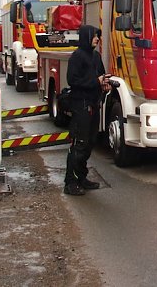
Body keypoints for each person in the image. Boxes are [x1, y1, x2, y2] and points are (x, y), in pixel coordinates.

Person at [64, 25, 107, 196]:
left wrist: (105, 83)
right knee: (79, 144)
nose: (97, 39)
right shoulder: (77, 57)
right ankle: (70, 182)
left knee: (89, 143)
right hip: (81, 104)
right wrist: (96, 81)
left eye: (97, 36)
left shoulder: (96, 56)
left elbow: (100, 76)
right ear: (86, 37)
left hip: (93, 103)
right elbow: (73, 80)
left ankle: (81, 177)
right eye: (95, 36)